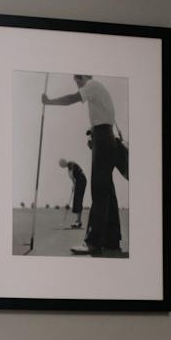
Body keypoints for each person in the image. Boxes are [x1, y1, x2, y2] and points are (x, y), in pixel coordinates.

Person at [43, 75, 123, 255]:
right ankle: (112, 240)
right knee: (107, 190)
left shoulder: (92, 85)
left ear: (87, 76)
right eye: (74, 79)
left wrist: (49, 102)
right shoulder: (98, 89)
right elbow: (102, 121)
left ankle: (93, 242)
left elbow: (72, 98)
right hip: (105, 138)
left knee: (99, 190)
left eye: (78, 78)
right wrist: (94, 137)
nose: (76, 81)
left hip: (103, 139)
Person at [57, 158, 85, 229]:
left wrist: (75, 184)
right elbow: (73, 178)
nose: (62, 166)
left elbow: (73, 174)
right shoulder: (69, 168)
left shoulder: (71, 164)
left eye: (61, 165)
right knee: (77, 200)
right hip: (79, 181)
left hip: (81, 181)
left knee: (78, 200)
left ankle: (78, 222)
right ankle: (78, 221)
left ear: (64, 163)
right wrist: (74, 185)